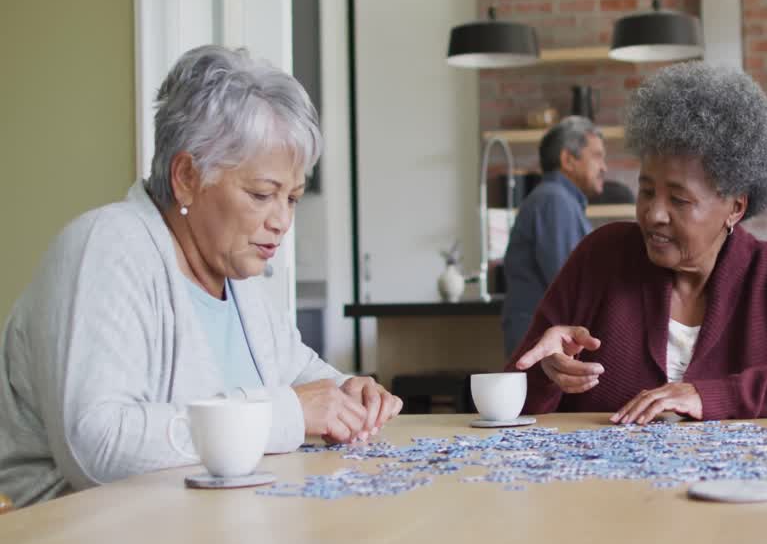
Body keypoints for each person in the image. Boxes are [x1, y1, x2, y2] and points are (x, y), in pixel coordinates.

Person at [0, 45, 402, 508]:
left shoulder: (235, 278)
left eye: (290, 198)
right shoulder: (105, 246)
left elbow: (301, 376)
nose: (281, 221)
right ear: (187, 176)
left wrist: (350, 391)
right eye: (261, 194)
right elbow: (97, 445)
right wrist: (289, 412)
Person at [508, 62, 767, 425]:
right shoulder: (601, 258)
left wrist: (715, 395)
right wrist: (543, 374)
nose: (653, 214)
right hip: (610, 503)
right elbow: (510, 402)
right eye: (646, 191)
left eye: (679, 200)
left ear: (735, 207)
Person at [500, 116, 608, 356]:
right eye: (597, 156)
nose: (604, 167)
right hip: (542, 341)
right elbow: (571, 281)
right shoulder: (555, 201)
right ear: (568, 160)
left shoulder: (556, 199)